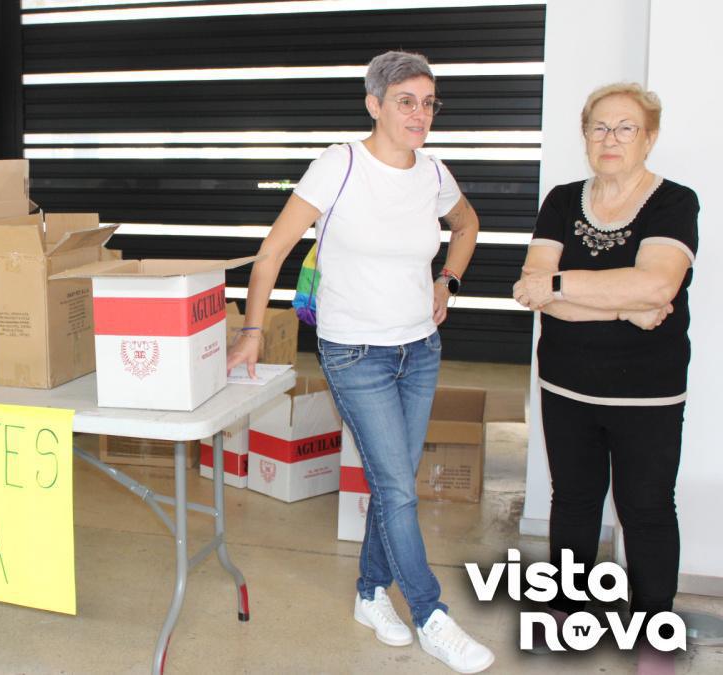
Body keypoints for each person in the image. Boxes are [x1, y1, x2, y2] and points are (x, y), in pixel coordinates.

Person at [228, 50, 493, 673]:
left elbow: (468, 225)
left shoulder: (433, 174)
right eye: (406, 101)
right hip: (354, 352)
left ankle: (371, 592)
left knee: (390, 479)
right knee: (399, 487)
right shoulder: (340, 163)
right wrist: (250, 330)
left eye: (428, 103)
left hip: (419, 349)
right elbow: (271, 254)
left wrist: (447, 282)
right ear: (374, 105)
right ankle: (430, 613)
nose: (420, 114)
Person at [514, 82, 698, 674]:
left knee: (644, 509)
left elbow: (657, 285)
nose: (610, 139)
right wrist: (624, 305)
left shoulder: (675, 201)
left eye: (625, 128)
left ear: (649, 138)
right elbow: (531, 286)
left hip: (648, 389)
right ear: (585, 136)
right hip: (566, 384)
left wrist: (564, 287)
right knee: (572, 503)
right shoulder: (562, 200)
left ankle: (653, 638)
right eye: (599, 127)